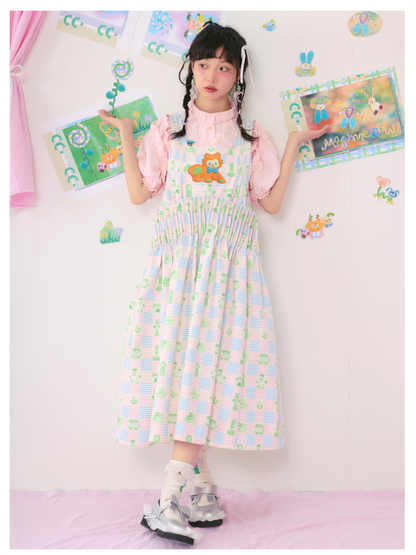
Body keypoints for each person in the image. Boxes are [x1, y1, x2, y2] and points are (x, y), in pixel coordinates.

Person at [99, 21, 330, 547]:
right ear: (190, 69)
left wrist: (294, 143)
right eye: (204, 63)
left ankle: (180, 494)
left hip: (230, 277)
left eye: (224, 65)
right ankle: (187, 492)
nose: (212, 74)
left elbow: (271, 203)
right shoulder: (168, 132)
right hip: (176, 274)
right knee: (186, 373)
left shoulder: (252, 138)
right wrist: (126, 135)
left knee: (210, 373)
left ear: (238, 75)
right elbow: (140, 194)